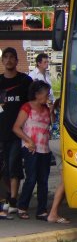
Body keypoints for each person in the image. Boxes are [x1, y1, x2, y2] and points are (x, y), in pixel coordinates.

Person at [0, 47, 33, 219]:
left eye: (12, 57)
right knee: (4, 166)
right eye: (6, 57)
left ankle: (13, 199)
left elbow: (33, 104)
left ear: (16, 60)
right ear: (2, 61)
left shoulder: (25, 81)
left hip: (19, 132)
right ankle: (7, 196)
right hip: (2, 130)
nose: (9, 60)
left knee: (14, 165)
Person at [13, 80, 52, 220]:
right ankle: (22, 206)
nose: (48, 96)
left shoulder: (46, 108)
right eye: (46, 94)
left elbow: (50, 124)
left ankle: (42, 210)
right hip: (31, 148)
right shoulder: (27, 107)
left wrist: (52, 108)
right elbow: (16, 127)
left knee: (43, 180)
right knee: (31, 178)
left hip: (45, 148)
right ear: (37, 94)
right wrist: (28, 140)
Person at [47, 98, 69, 223]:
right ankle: (53, 213)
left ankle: (53, 213)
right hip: (63, 143)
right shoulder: (70, 109)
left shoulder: (55, 109)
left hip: (53, 142)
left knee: (65, 180)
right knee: (68, 179)